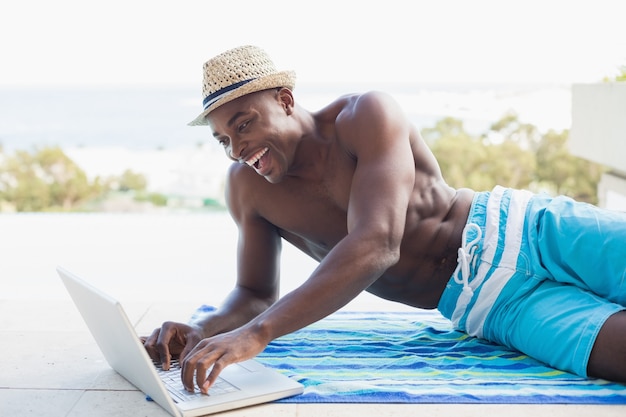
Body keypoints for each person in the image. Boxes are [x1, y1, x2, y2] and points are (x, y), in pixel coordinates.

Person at [143, 45, 626, 394]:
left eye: (244, 123)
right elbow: (252, 294)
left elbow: (377, 243)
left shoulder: (365, 115)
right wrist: (199, 329)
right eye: (223, 139)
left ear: (285, 100)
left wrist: (259, 333)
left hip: (531, 231)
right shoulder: (247, 189)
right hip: (491, 305)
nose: (237, 147)